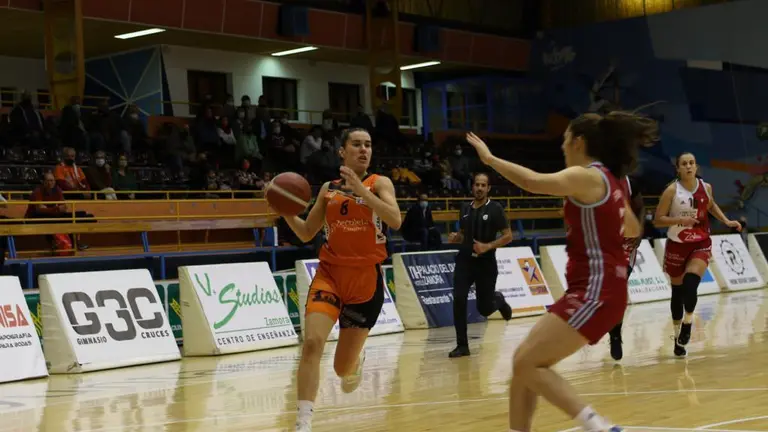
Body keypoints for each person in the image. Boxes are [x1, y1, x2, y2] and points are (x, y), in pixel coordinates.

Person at [466, 111, 652, 432]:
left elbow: (531, 182)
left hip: (595, 291)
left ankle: (599, 427)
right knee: (523, 363)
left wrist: (490, 159)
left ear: (579, 142)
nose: (563, 147)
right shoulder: (614, 179)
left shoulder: (587, 176)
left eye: (565, 140)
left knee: (527, 363)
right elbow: (633, 230)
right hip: (600, 289)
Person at [273, 128, 401, 432]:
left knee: (342, 370)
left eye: (368, 145)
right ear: (342, 151)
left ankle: (355, 362)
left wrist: (363, 192)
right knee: (313, 343)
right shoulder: (328, 189)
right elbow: (306, 232)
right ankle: (303, 422)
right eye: (356, 144)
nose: (363, 149)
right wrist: (285, 209)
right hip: (329, 275)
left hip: (365, 283)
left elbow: (395, 219)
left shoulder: (379, 183)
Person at [652, 152, 741, 357]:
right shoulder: (671, 191)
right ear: (678, 168)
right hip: (677, 244)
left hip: (700, 242)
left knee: (691, 282)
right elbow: (658, 220)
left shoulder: (706, 187)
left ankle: (688, 322)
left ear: (696, 166)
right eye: (684, 164)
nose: (689, 167)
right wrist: (679, 221)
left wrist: (726, 221)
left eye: (691, 163)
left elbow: (711, 205)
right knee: (677, 293)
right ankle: (676, 339)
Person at [446, 172, 514, 358]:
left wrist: (488, 246)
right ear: (472, 186)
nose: (479, 188)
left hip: (486, 264)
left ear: (488, 188)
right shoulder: (464, 208)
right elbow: (463, 235)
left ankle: (498, 299)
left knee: (484, 308)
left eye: (483, 185)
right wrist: (456, 238)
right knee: (459, 299)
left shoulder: (495, 209)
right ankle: (462, 346)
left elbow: (508, 236)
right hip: (465, 261)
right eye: (477, 184)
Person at [608, 174, 645, 361]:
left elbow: (641, 208)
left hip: (625, 244)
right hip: (603, 242)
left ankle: (615, 334)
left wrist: (639, 230)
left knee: (618, 287)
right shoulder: (594, 179)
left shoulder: (631, 182)